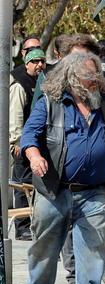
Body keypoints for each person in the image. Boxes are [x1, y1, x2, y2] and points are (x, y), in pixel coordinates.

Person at [20, 52, 105, 284]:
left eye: (96, 78)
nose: (93, 84)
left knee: (93, 251)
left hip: (95, 191)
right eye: (87, 79)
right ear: (70, 79)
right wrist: (34, 156)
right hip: (55, 190)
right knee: (44, 249)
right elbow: (30, 135)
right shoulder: (51, 103)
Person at [10, 48, 46, 240]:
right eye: (35, 61)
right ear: (27, 64)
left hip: (37, 145)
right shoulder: (20, 85)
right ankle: (22, 226)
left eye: (42, 61)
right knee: (22, 186)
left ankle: (32, 223)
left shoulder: (42, 82)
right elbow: (15, 116)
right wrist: (17, 141)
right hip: (22, 145)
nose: (39, 64)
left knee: (33, 186)